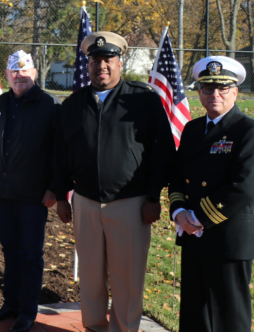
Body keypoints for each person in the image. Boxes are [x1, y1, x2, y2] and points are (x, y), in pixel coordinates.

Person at [54, 31, 175, 332]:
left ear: (120, 63)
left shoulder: (143, 100)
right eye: (95, 61)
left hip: (130, 205)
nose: (102, 67)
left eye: (108, 60)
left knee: (127, 279)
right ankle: (94, 328)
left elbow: (162, 152)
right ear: (88, 66)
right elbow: (59, 153)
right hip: (85, 203)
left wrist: (152, 197)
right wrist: (60, 195)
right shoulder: (72, 105)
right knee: (92, 278)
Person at [169, 56, 254, 332]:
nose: (215, 95)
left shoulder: (251, 132)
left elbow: (243, 186)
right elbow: (177, 175)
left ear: (235, 92)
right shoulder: (191, 130)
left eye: (222, 88)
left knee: (229, 318)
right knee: (193, 314)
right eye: (207, 88)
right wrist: (179, 213)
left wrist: (197, 217)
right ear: (199, 92)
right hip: (192, 235)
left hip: (227, 238)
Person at [0, 50, 60, 332]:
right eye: (14, 72)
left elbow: (59, 152)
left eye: (25, 71)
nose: (19, 76)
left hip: (34, 195)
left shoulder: (49, 104)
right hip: (4, 192)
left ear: (35, 74)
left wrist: (55, 188)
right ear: (7, 76)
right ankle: (11, 304)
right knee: (10, 251)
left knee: (30, 254)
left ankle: (27, 311)